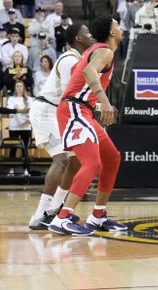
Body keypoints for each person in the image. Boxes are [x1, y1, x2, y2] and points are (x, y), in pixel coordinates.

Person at [49, 16, 127, 236]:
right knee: (92, 163)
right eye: (118, 26)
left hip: (82, 110)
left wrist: (96, 104)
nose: (121, 29)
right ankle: (63, 218)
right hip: (74, 109)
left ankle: (98, 215)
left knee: (112, 157)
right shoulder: (105, 51)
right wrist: (105, 102)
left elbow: (82, 75)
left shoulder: (95, 50)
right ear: (112, 33)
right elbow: (88, 72)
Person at [27, 24, 94, 230]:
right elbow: (69, 94)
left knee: (75, 162)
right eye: (87, 32)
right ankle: (40, 214)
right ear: (77, 38)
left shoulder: (80, 59)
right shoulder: (69, 59)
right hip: (47, 110)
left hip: (59, 111)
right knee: (62, 160)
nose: (90, 35)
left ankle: (55, 209)